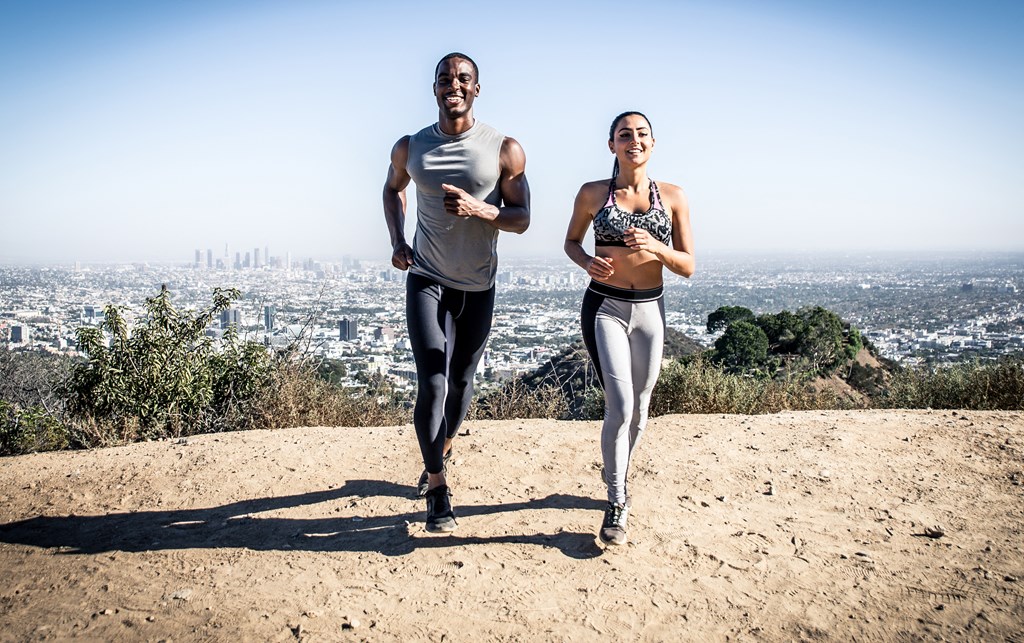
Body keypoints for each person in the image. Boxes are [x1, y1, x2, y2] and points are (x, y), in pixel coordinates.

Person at [383, 52, 531, 533]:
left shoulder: (504, 148)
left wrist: (479, 209)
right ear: (434, 88)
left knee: (462, 381)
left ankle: (441, 445)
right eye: (446, 78)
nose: (454, 85)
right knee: (433, 381)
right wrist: (397, 241)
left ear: (476, 89)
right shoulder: (411, 146)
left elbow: (521, 219)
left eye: (463, 79)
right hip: (426, 276)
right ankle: (437, 484)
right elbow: (391, 189)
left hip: (478, 284)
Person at [563, 111, 694, 546]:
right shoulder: (593, 193)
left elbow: (688, 265)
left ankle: (615, 467)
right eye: (624, 134)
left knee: (640, 408)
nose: (633, 140)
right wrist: (587, 263)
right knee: (619, 407)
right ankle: (616, 499)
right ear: (612, 145)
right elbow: (571, 241)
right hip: (606, 307)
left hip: (650, 311)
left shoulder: (673, 197)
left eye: (641, 134)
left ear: (652, 144)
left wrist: (657, 247)